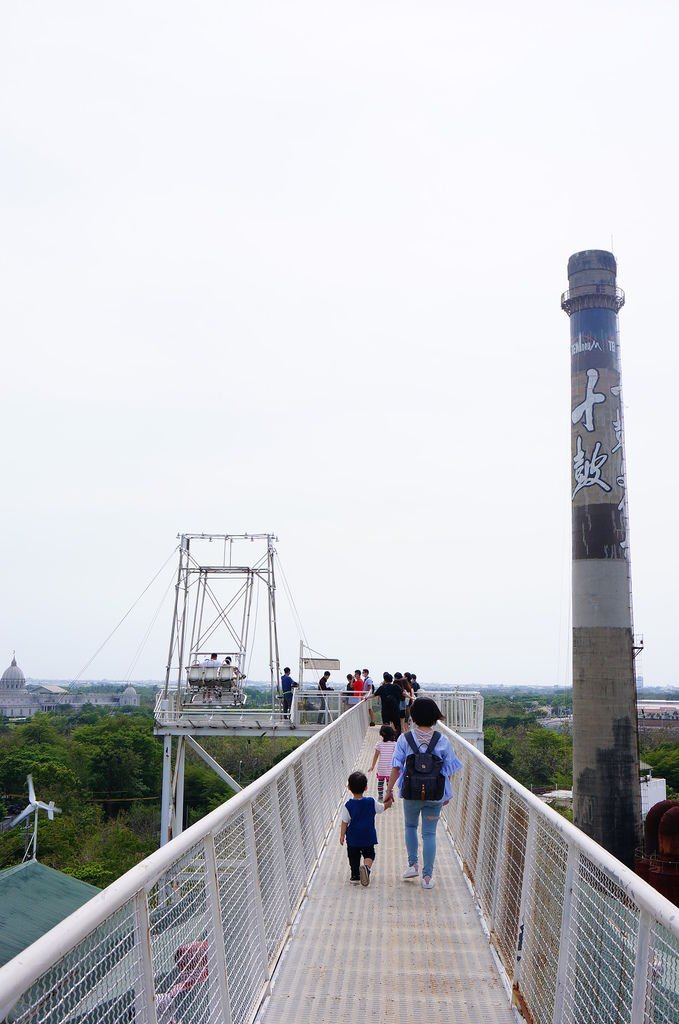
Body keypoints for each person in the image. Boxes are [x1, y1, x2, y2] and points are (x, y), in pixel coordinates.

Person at [384, 697, 462, 890]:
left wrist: (389, 790)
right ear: (435, 716)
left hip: (411, 792)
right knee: (429, 833)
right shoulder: (442, 740)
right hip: (434, 794)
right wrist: (445, 794)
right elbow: (448, 770)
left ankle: (413, 865)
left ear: (414, 716)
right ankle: (427, 878)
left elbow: (396, 767)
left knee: (410, 827)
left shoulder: (404, 738)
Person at [339, 770, 388, 886]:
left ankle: (355, 875)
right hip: (368, 836)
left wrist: (342, 835)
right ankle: (366, 868)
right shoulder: (371, 802)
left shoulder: (348, 805)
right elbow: (381, 808)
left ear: (349, 788)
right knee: (369, 854)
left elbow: (344, 822)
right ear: (366, 787)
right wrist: (388, 804)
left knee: (353, 856)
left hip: (353, 838)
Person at [369, 724, 397, 801]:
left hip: (381, 767)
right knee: (389, 784)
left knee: (380, 783)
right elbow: (397, 756)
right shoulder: (395, 744)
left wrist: (372, 766)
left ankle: (380, 797)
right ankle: (389, 796)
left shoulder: (379, 744)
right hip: (390, 768)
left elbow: (376, 756)